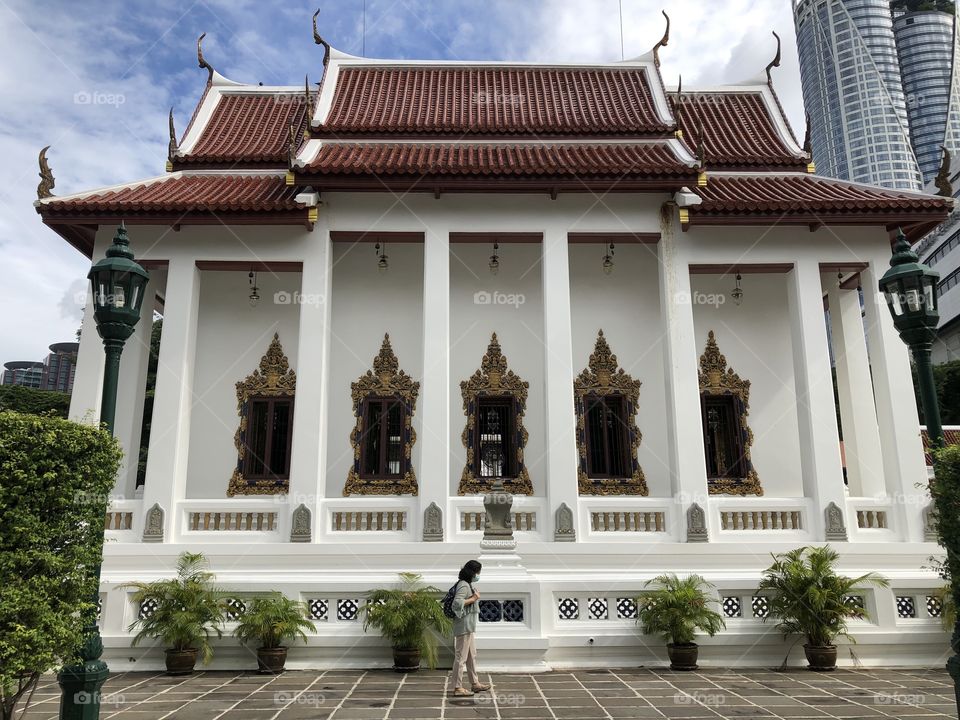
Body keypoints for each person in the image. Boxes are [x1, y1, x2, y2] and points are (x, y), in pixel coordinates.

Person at [449, 559, 490, 697]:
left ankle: (475, 684)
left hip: (469, 626)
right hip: (463, 626)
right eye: (478, 572)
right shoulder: (464, 586)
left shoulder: (467, 584)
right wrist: (473, 598)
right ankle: (457, 687)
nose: (478, 575)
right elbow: (456, 604)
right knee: (461, 658)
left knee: (472, 656)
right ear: (473, 572)